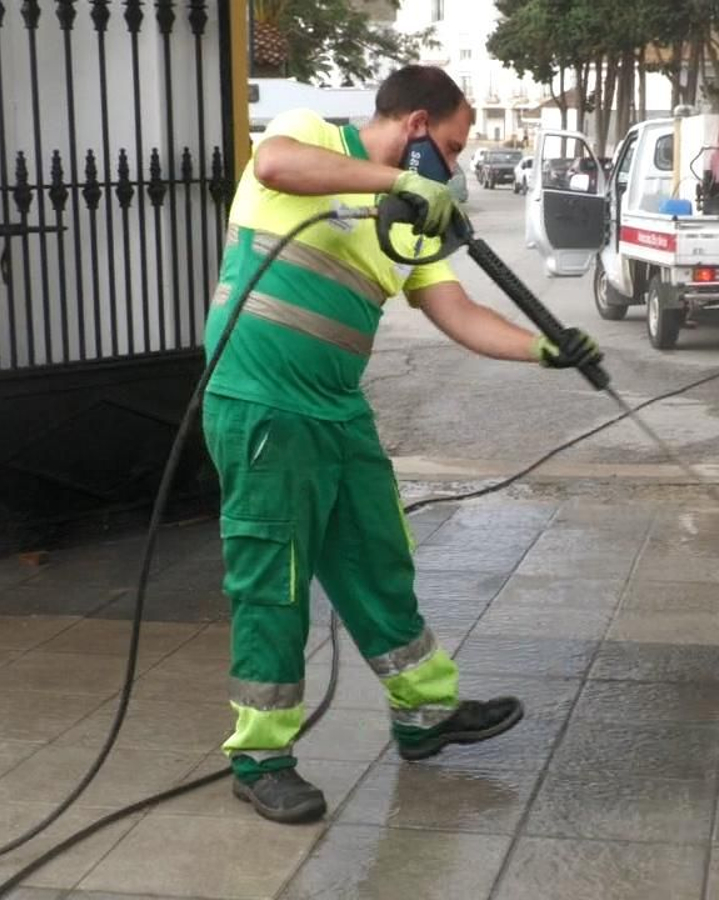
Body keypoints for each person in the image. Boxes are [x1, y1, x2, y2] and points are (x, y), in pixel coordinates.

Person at [200, 64, 602, 825]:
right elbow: (273, 163)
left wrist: (545, 348)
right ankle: (260, 759)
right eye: (449, 149)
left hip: (336, 411)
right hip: (261, 406)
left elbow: (453, 308)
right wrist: (395, 183)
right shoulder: (314, 138)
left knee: (378, 556)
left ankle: (425, 716)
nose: (452, 169)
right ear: (416, 125)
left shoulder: (410, 217)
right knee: (274, 582)